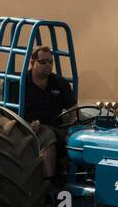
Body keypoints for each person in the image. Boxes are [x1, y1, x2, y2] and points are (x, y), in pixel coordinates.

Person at [21, 45, 76, 182]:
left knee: (79, 138)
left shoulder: (59, 83)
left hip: (55, 126)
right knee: (47, 135)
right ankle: (50, 182)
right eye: (43, 62)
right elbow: (6, 113)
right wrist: (27, 124)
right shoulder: (18, 83)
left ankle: (75, 176)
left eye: (50, 62)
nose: (48, 65)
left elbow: (73, 108)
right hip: (26, 128)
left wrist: (72, 125)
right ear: (32, 63)